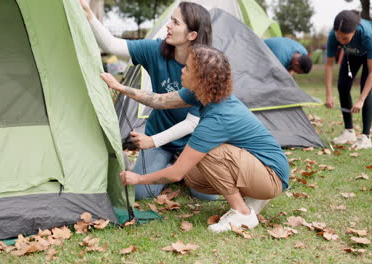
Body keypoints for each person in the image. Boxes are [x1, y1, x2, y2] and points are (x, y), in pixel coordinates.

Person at [100, 45, 289, 233]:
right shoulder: (202, 94)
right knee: (194, 178)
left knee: (208, 153)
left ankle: (242, 213)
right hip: (259, 167)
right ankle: (254, 195)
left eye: (188, 68)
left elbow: (175, 174)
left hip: (272, 176)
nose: (182, 70)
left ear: (202, 79)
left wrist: (138, 178)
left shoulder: (217, 118)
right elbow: (158, 100)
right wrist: (119, 87)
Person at [80, 0, 217, 200]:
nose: (168, 25)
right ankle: (172, 169)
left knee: (207, 196)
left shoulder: (206, 68)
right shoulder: (156, 50)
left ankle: (178, 169)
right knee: (144, 193)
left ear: (192, 35)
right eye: (170, 20)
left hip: (192, 142)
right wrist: (88, 14)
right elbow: (112, 45)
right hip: (159, 137)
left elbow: (191, 124)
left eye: (176, 23)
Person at [324, 10, 372, 150]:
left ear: (355, 30)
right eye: (339, 37)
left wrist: (361, 99)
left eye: (344, 38)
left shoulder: (367, 35)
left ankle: (365, 137)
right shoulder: (334, 36)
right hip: (353, 52)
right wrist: (328, 95)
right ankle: (349, 131)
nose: (340, 40)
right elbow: (328, 66)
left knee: (366, 89)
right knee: (343, 86)